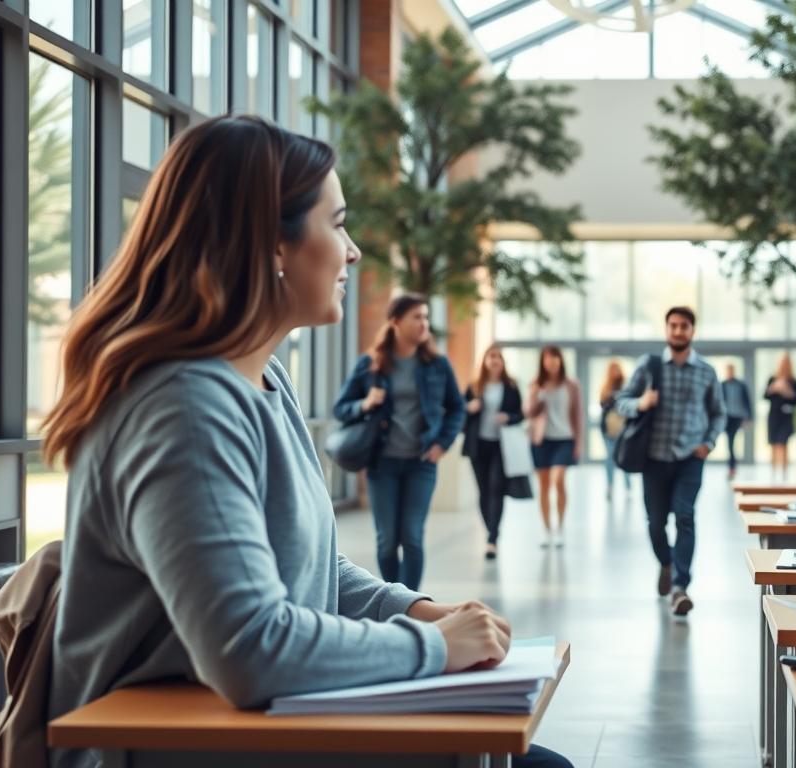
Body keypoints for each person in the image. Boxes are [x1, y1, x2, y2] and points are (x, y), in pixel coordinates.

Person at [40, 116, 570, 768]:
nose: (354, 252)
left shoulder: (264, 378)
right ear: (272, 245)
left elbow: (310, 568)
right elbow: (250, 650)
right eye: (338, 224)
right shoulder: (184, 407)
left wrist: (418, 611)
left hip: (247, 733)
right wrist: (435, 648)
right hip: (166, 749)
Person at [334, 293, 464, 591]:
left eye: (426, 317)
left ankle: (409, 606)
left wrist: (442, 443)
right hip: (382, 463)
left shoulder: (437, 364)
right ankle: (395, 599)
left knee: (412, 537)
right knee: (387, 541)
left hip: (422, 463)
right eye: (416, 317)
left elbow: (456, 408)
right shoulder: (370, 364)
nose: (424, 323)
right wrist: (365, 403)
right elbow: (340, 408)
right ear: (395, 321)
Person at [615, 306, 726, 616]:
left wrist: (708, 443)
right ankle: (666, 562)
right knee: (655, 523)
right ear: (666, 330)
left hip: (690, 458)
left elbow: (719, 413)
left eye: (684, 326)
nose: (678, 331)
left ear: (692, 331)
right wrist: (641, 403)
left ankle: (680, 586)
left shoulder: (706, 371)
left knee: (685, 517)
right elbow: (620, 402)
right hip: (653, 458)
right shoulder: (648, 366)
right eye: (673, 325)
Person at [463, 344, 524, 560]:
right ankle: (491, 529)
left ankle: (492, 539)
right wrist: (469, 408)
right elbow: (460, 411)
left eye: (498, 357)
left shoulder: (511, 386)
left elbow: (520, 414)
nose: (494, 360)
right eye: (491, 356)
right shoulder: (474, 386)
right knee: (483, 491)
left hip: (501, 445)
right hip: (478, 445)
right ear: (485, 361)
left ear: (503, 362)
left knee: (496, 488)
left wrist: (508, 417)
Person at [526, 345, 583, 548]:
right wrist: (537, 396)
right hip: (541, 440)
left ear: (560, 360)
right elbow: (528, 413)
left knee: (558, 480)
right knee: (543, 486)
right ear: (542, 362)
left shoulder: (572, 385)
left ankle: (560, 526)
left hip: (565, 439)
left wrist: (579, 442)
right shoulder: (536, 384)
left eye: (555, 358)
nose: (551, 362)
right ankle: (546, 529)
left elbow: (578, 414)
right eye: (548, 358)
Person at [764, 355, 796, 481]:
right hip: (774, 416)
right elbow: (765, 396)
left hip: (786, 417)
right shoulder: (772, 379)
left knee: (783, 443)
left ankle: (784, 474)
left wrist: (787, 392)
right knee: (773, 444)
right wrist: (773, 388)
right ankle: (773, 473)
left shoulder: (794, 382)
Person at [599, 359, 632, 501]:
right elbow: (603, 405)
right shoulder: (605, 388)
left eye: (617, 369)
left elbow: (629, 405)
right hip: (608, 429)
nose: (615, 372)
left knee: (624, 457)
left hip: (623, 429)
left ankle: (628, 486)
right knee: (610, 457)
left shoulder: (627, 387)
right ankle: (610, 486)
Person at [720, 364, 752, 480]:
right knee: (730, 443)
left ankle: (732, 467)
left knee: (731, 442)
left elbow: (747, 402)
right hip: (726, 417)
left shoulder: (741, 385)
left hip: (737, 417)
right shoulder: (722, 385)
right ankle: (732, 467)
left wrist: (749, 418)